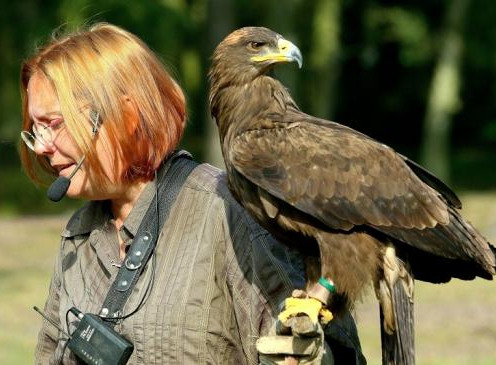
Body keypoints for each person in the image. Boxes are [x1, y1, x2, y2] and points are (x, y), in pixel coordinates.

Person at [19, 23, 364, 364]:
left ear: (126, 115)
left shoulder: (233, 214)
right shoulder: (77, 235)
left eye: (54, 124)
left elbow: (322, 347)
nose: (42, 147)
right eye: (36, 129)